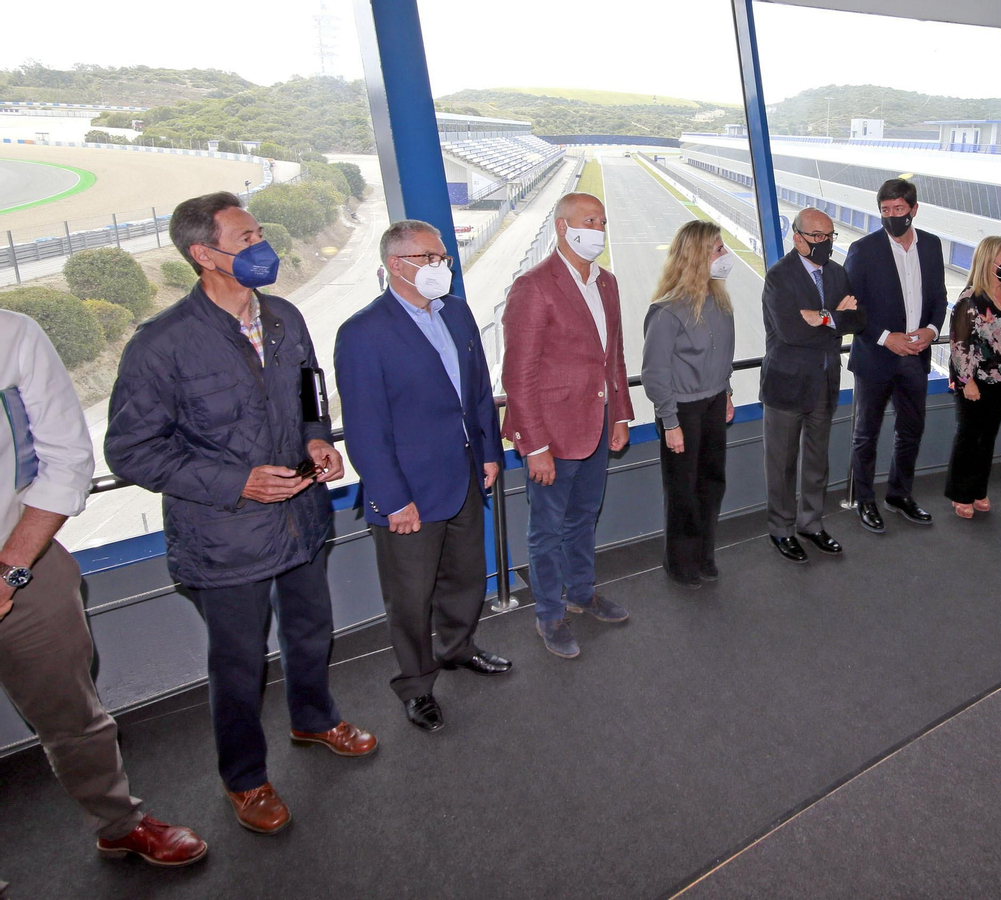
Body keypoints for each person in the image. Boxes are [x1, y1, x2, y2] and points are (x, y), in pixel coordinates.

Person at [105, 192, 376, 836]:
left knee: (310, 630)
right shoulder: (162, 344)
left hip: (301, 517)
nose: (262, 247)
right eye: (246, 238)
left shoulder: (284, 316)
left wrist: (318, 439)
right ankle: (246, 778)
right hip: (223, 537)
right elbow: (130, 451)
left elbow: (310, 393)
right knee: (238, 664)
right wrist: (238, 483)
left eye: (259, 234)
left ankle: (314, 719)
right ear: (204, 255)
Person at [0, 311, 207, 884]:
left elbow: (66, 458)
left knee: (73, 714)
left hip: (23, 559)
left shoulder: (12, 336)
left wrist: (11, 568)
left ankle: (119, 823)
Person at [334, 220, 509, 735]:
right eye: (430, 258)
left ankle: (458, 647)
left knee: (466, 578)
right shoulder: (363, 332)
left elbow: (478, 391)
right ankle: (416, 686)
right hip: (407, 493)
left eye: (443, 258)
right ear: (397, 265)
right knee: (410, 599)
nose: (441, 267)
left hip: (465, 476)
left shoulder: (457, 312)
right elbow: (365, 428)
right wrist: (392, 500)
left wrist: (489, 451)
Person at [502, 192, 633, 659]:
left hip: (597, 425)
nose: (598, 229)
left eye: (602, 221)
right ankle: (549, 614)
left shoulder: (607, 282)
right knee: (547, 529)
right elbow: (518, 375)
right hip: (552, 435)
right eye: (588, 221)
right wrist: (534, 445)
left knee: (583, 518)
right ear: (563, 227)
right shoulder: (534, 286)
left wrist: (620, 414)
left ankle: (581, 593)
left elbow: (613, 356)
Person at [844, 178, 948, 533]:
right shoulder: (863, 249)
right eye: (885, 210)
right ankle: (865, 501)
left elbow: (939, 298)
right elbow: (852, 309)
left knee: (911, 431)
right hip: (876, 357)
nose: (891, 216)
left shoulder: (931, 245)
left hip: (915, 357)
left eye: (898, 209)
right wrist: (887, 338)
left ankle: (899, 495)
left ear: (914, 210)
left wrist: (931, 330)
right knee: (866, 436)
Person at [760, 208, 859, 564]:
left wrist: (823, 317)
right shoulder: (778, 277)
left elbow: (857, 320)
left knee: (817, 462)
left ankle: (811, 524)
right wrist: (836, 319)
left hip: (824, 381)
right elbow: (792, 332)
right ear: (798, 238)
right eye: (818, 236)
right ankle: (781, 529)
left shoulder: (837, 272)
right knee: (782, 465)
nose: (826, 242)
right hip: (786, 385)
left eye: (830, 236)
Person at [642, 220, 737, 588]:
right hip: (682, 410)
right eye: (718, 249)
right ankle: (680, 563)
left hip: (713, 402)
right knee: (683, 490)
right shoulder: (666, 312)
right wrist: (670, 422)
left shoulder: (719, 302)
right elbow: (654, 373)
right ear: (698, 256)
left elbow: (722, 354)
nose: (725, 255)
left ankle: (703, 555)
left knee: (711, 484)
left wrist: (726, 392)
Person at [945, 237, 1001, 518]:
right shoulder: (970, 300)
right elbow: (959, 344)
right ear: (988, 261)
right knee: (969, 437)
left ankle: (979, 489)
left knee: (988, 437)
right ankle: (961, 494)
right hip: (974, 381)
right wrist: (966, 381)